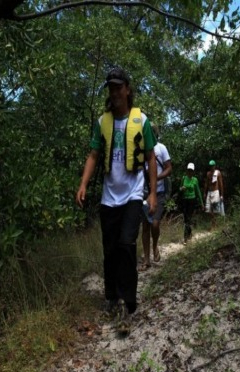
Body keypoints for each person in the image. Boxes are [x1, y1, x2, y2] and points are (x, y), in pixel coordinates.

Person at [76, 67, 157, 335]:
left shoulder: (141, 120)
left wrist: (153, 193)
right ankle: (111, 296)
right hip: (109, 198)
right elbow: (93, 155)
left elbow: (151, 158)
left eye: (118, 87)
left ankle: (129, 301)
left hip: (133, 195)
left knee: (126, 244)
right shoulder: (102, 122)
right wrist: (84, 183)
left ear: (127, 90)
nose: (115, 92)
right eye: (111, 87)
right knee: (110, 250)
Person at [140, 125, 172, 270]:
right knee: (145, 226)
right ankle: (146, 260)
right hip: (143, 193)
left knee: (155, 224)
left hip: (159, 192)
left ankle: (155, 245)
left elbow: (169, 168)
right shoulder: (139, 150)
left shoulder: (161, 148)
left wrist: (156, 178)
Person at [180, 163, 203, 244]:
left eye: (191, 170)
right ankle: (189, 233)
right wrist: (181, 189)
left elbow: (198, 192)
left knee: (188, 218)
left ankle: (185, 238)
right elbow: (180, 188)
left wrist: (201, 203)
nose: (190, 172)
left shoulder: (195, 180)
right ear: (187, 170)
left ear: (193, 171)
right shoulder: (183, 178)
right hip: (184, 200)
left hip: (192, 200)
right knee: (186, 218)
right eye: (188, 170)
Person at [204, 159, 224, 229]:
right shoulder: (208, 173)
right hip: (209, 192)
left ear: (214, 166)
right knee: (208, 209)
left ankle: (215, 225)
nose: (211, 167)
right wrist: (205, 192)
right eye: (210, 166)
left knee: (215, 209)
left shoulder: (217, 173)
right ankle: (213, 223)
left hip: (216, 192)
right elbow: (206, 183)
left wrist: (221, 194)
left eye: (212, 166)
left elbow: (221, 184)